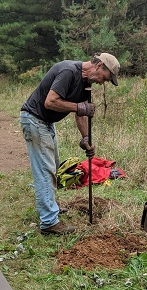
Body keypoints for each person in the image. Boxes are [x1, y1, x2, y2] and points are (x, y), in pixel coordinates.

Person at [20, 53, 120, 235]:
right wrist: (78, 107)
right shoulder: (68, 71)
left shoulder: (86, 82)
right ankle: (49, 222)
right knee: (45, 170)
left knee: (54, 168)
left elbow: (81, 113)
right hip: (34, 120)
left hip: (46, 123)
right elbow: (50, 102)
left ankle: (50, 207)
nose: (102, 83)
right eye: (104, 79)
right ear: (99, 66)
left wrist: (86, 138)